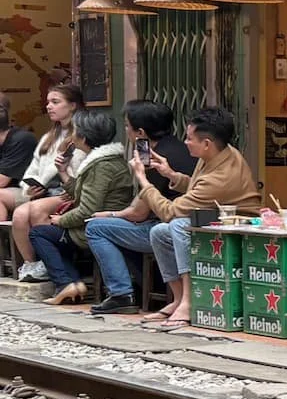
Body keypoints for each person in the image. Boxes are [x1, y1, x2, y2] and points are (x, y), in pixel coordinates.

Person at [83, 106, 260, 319]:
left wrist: (142, 179)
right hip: (212, 218)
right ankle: (177, 298)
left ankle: (188, 300)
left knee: (176, 225)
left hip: (235, 224)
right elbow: (197, 188)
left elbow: (171, 211)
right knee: (160, 232)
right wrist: (171, 174)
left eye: (189, 138)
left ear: (206, 144)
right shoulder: (220, 153)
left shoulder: (220, 176)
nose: (185, 142)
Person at [31, 109, 134, 306]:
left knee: (39, 234)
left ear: (83, 137)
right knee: (52, 234)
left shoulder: (100, 166)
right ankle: (71, 284)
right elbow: (82, 192)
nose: (71, 134)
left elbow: (86, 209)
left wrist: (61, 220)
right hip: (98, 221)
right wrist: (63, 172)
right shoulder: (105, 161)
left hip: (94, 226)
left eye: (75, 130)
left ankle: (66, 283)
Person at [5, 84, 83, 282]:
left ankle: (52, 263)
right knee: (22, 214)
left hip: (67, 190)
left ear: (73, 105)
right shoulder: (50, 136)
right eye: (48, 102)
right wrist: (30, 187)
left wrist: (48, 181)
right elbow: (34, 166)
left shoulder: (82, 133)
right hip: (45, 190)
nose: (49, 107)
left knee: (32, 211)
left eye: (55, 102)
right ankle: (32, 264)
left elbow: (79, 168)